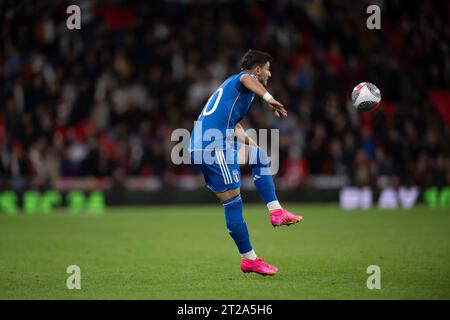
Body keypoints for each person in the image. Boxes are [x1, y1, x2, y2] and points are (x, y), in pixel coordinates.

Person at [189, 50, 302, 276]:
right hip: (212, 147)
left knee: (258, 156)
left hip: (209, 145)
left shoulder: (236, 92)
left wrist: (253, 145)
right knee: (233, 203)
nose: (269, 74)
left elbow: (234, 126)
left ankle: (276, 212)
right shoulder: (242, 80)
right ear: (257, 69)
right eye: (267, 69)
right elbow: (245, 78)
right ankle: (250, 259)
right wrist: (269, 99)